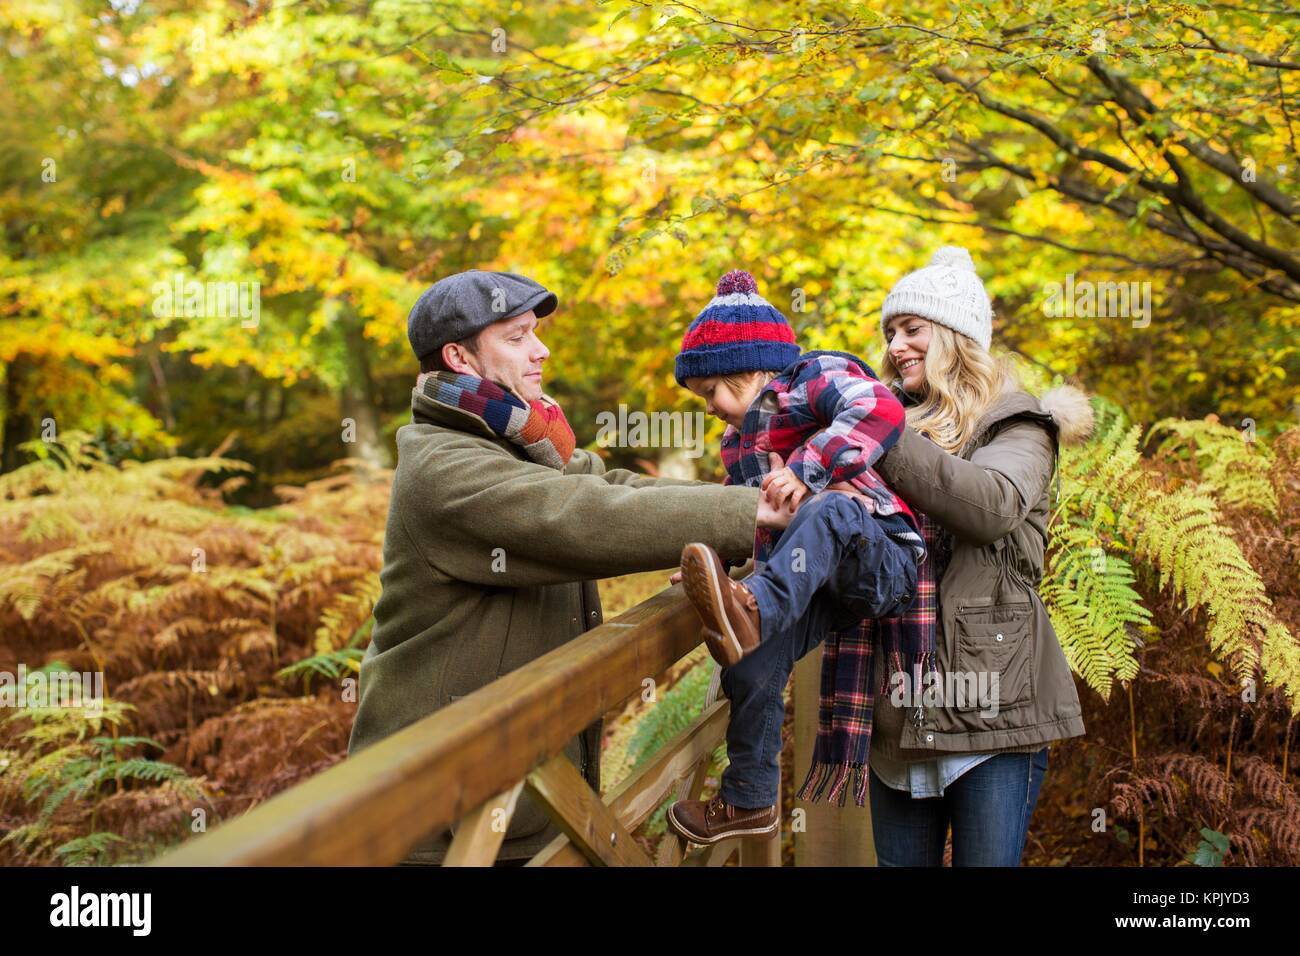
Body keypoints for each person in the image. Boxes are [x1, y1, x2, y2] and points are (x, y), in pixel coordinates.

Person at [347, 269, 796, 865]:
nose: (542, 350)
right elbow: (580, 514)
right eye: (517, 337)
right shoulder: (442, 464)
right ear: (458, 356)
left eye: (536, 333)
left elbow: (608, 484)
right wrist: (755, 512)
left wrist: (744, 512)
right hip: (434, 815)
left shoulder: (522, 437)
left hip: (515, 794)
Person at [663, 269, 930, 844]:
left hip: (881, 556)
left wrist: (809, 468)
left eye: (710, 392)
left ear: (746, 370)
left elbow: (880, 409)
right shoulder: (738, 444)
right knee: (752, 661)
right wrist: (713, 572)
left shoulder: (811, 379)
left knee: (828, 510)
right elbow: (757, 527)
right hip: (816, 584)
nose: (709, 408)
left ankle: (752, 611)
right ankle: (749, 799)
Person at [865, 245, 1093, 866]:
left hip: (993, 710)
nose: (895, 345)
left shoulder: (1019, 427)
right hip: (899, 712)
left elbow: (989, 506)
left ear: (956, 338)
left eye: (911, 329)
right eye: (890, 332)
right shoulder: (886, 424)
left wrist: (880, 436)